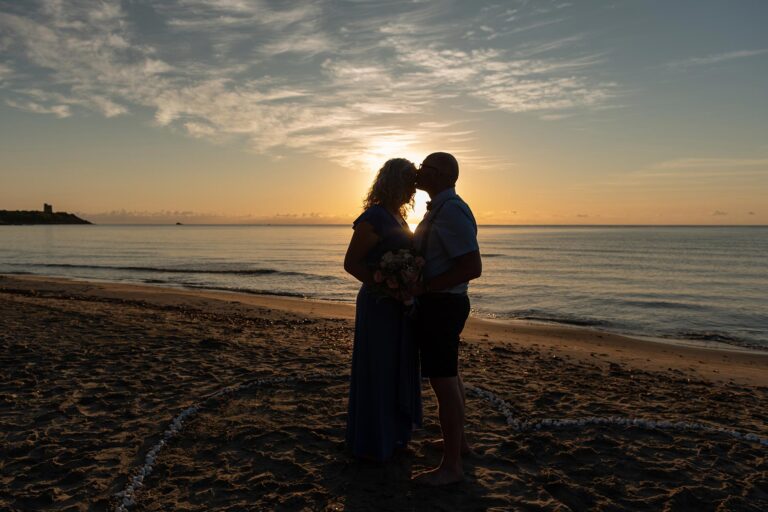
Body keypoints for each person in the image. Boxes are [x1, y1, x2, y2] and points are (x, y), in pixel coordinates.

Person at [343, 158, 423, 461]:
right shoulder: (374, 217)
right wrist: (386, 284)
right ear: (393, 183)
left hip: (398, 306)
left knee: (398, 366)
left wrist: (404, 285)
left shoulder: (399, 217)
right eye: (408, 184)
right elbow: (352, 263)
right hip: (378, 305)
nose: (412, 191)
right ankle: (374, 440)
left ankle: (396, 436)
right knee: (379, 368)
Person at [411, 152, 482, 485]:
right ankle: (460, 443)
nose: (418, 170)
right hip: (442, 303)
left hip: (443, 305)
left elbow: (471, 267)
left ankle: (451, 466)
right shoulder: (441, 208)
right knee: (450, 376)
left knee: (442, 382)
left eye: (423, 166)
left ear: (438, 174)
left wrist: (425, 286)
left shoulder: (451, 211)